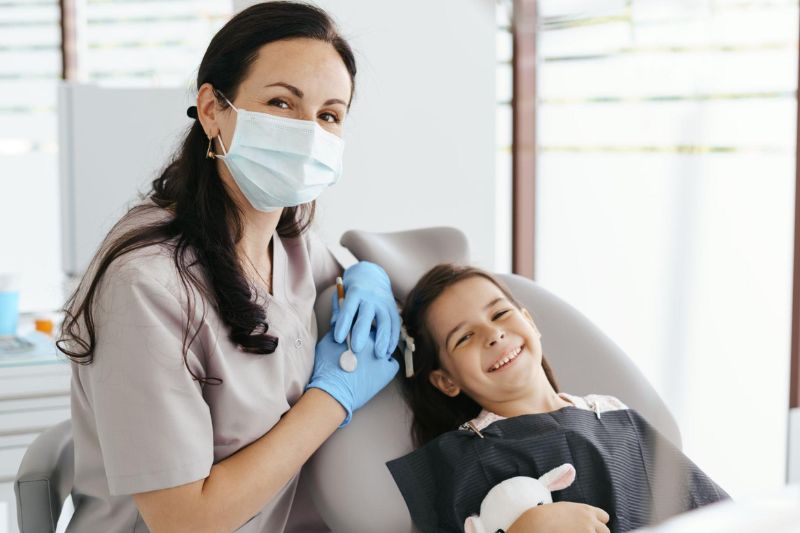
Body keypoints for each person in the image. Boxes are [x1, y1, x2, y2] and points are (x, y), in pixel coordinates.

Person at [56, 3, 400, 532]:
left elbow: (342, 266)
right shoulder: (146, 285)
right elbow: (183, 520)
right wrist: (332, 399)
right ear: (213, 108)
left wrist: (367, 277)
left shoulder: (289, 241)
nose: (308, 133)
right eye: (281, 102)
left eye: (329, 115)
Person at [388, 264, 728, 533]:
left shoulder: (615, 414)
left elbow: (716, 513)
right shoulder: (465, 458)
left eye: (500, 314)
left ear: (530, 322)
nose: (493, 335)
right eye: (464, 337)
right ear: (446, 381)